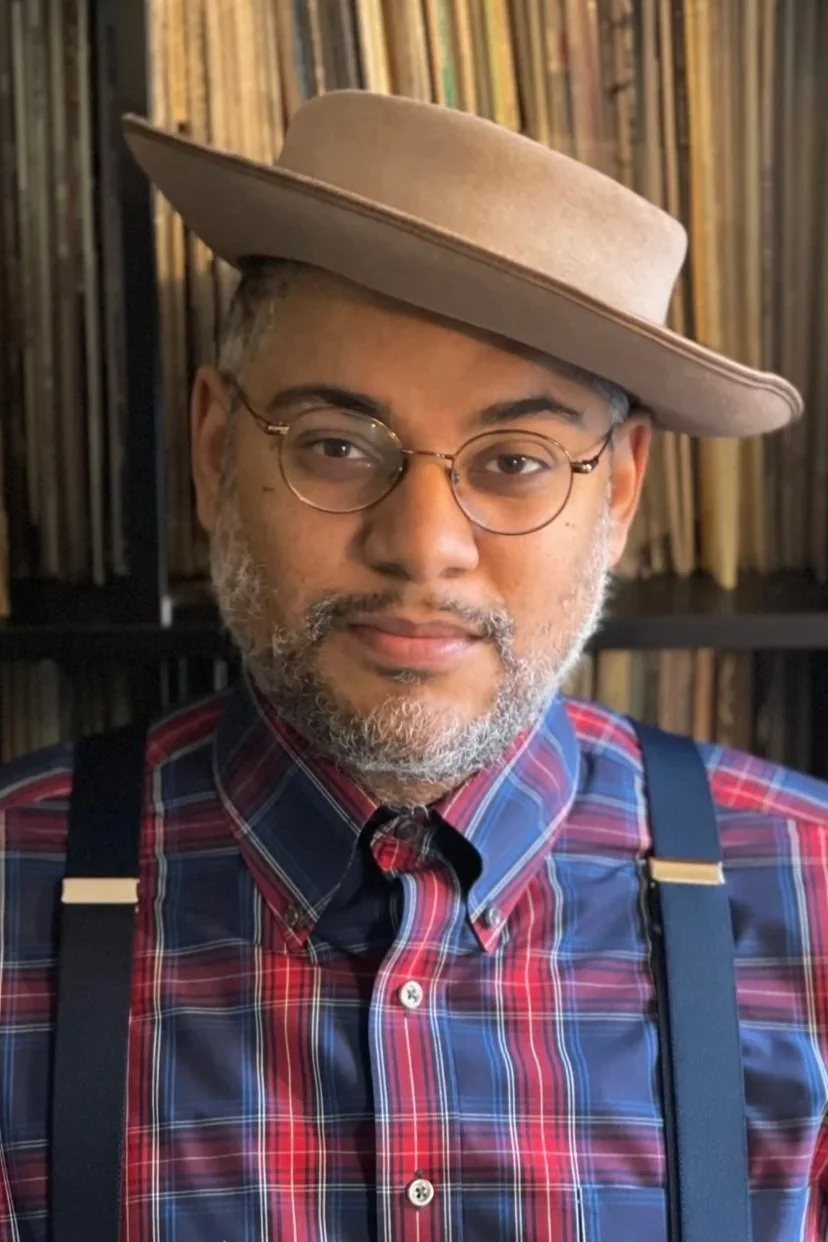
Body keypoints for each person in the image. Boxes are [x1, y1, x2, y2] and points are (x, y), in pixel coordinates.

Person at [0, 89, 826, 1241]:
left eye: (515, 460)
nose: (423, 546)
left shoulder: (811, 897)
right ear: (213, 451)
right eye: (338, 445)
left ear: (620, 494)